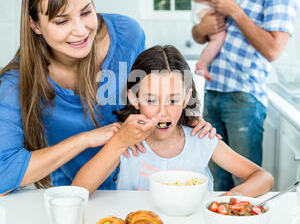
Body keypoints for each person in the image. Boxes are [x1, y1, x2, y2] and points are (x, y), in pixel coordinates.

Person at [0, 0, 217, 195]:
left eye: (86, 12)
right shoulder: (17, 82)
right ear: (35, 25)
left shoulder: (127, 35)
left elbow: (154, 89)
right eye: (62, 21)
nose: (81, 30)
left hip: (135, 190)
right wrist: (84, 139)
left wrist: (187, 118)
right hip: (79, 196)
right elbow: (3, 173)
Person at [73, 45, 273, 196]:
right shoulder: (124, 142)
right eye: (151, 100)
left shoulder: (200, 138)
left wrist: (226, 199)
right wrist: (118, 143)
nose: (163, 112)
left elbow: (263, 178)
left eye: (173, 100)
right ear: (134, 98)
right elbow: (78, 191)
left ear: (186, 98)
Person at [191, 0, 299, 191]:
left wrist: (235, 12)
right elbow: (200, 35)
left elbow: (274, 50)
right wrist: (202, 27)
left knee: (246, 184)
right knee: (215, 182)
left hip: (243, 100)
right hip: (214, 95)